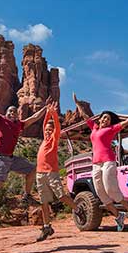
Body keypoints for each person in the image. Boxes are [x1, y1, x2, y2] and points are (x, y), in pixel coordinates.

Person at [73, 93, 128, 231]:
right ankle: (118, 216)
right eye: (104, 118)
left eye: (108, 119)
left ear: (110, 122)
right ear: (100, 119)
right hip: (96, 164)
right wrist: (77, 104)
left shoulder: (111, 129)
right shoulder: (94, 128)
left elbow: (126, 122)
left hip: (108, 161)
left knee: (111, 190)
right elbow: (85, 116)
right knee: (101, 195)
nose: (105, 120)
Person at [35, 101, 80, 241]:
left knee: (61, 196)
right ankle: (47, 227)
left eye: (50, 130)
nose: (48, 131)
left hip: (51, 172)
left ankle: (78, 209)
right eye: (46, 130)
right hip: (39, 174)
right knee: (43, 202)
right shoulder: (44, 139)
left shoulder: (54, 139)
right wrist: (47, 112)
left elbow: (57, 127)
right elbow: (44, 124)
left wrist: (54, 114)